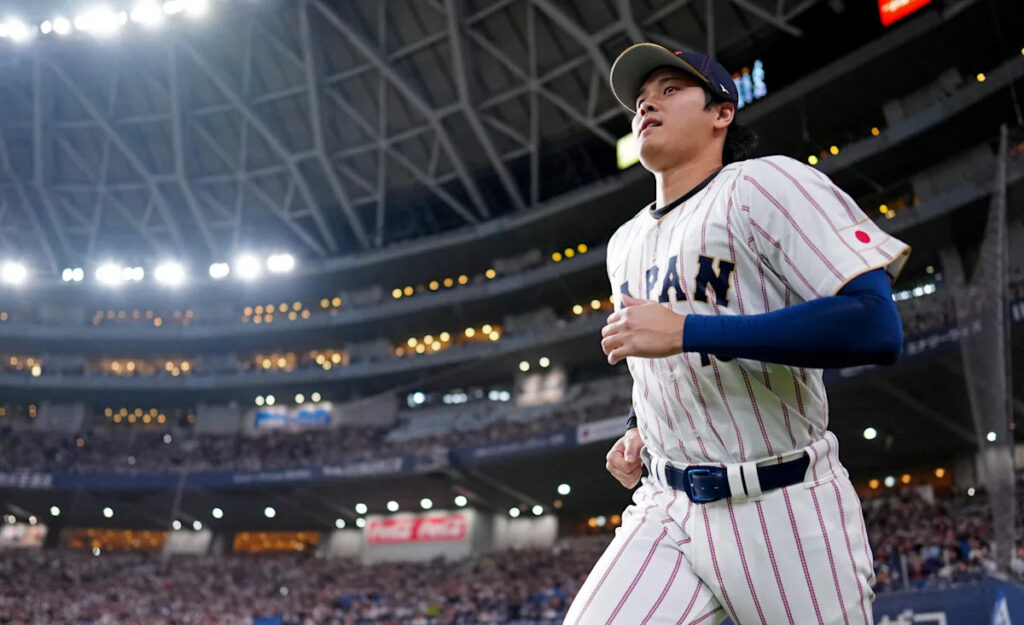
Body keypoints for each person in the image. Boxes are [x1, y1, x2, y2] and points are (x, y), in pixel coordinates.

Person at [564, 43, 911, 625]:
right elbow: (660, 355)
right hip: (666, 504)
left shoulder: (764, 184)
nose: (648, 104)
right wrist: (637, 427)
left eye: (671, 90)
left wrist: (690, 330)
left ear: (722, 113)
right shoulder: (623, 244)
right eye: (642, 100)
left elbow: (875, 325)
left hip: (782, 505)